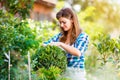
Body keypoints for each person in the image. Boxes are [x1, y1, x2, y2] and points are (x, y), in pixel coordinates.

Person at [43, 7, 89, 80]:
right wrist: (46, 46)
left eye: (64, 22)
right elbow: (45, 44)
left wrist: (60, 44)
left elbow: (78, 52)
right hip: (62, 74)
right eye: (60, 22)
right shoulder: (59, 36)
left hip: (76, 75)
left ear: (72, 20)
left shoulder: (82, 36)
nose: (61, 25)